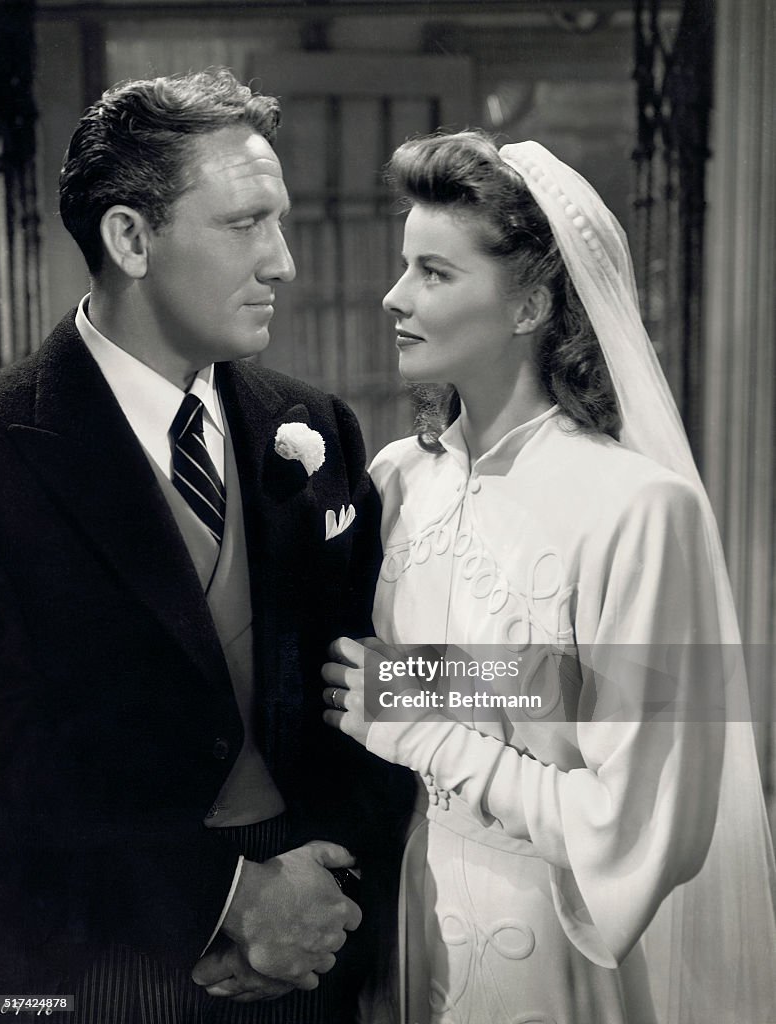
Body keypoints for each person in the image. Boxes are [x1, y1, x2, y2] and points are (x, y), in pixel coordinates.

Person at [322, 132, 776, 1023]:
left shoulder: (639, 510)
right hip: (399, 945)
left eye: (433, 272)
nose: (394, 296)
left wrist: (423, 732)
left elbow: (642, 819)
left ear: (529, 303)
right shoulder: (393, 480)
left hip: (550, 956)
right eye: (402, 266)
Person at [0, 68, 410, 1023]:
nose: (283, 262)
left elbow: (370, 683)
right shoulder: (2, 445)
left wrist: (329, 895)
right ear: (130, 238)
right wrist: (218, 901)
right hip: (93, 961)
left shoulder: (316, 426)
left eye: (283, 221)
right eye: (244, 223)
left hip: (311, 941)